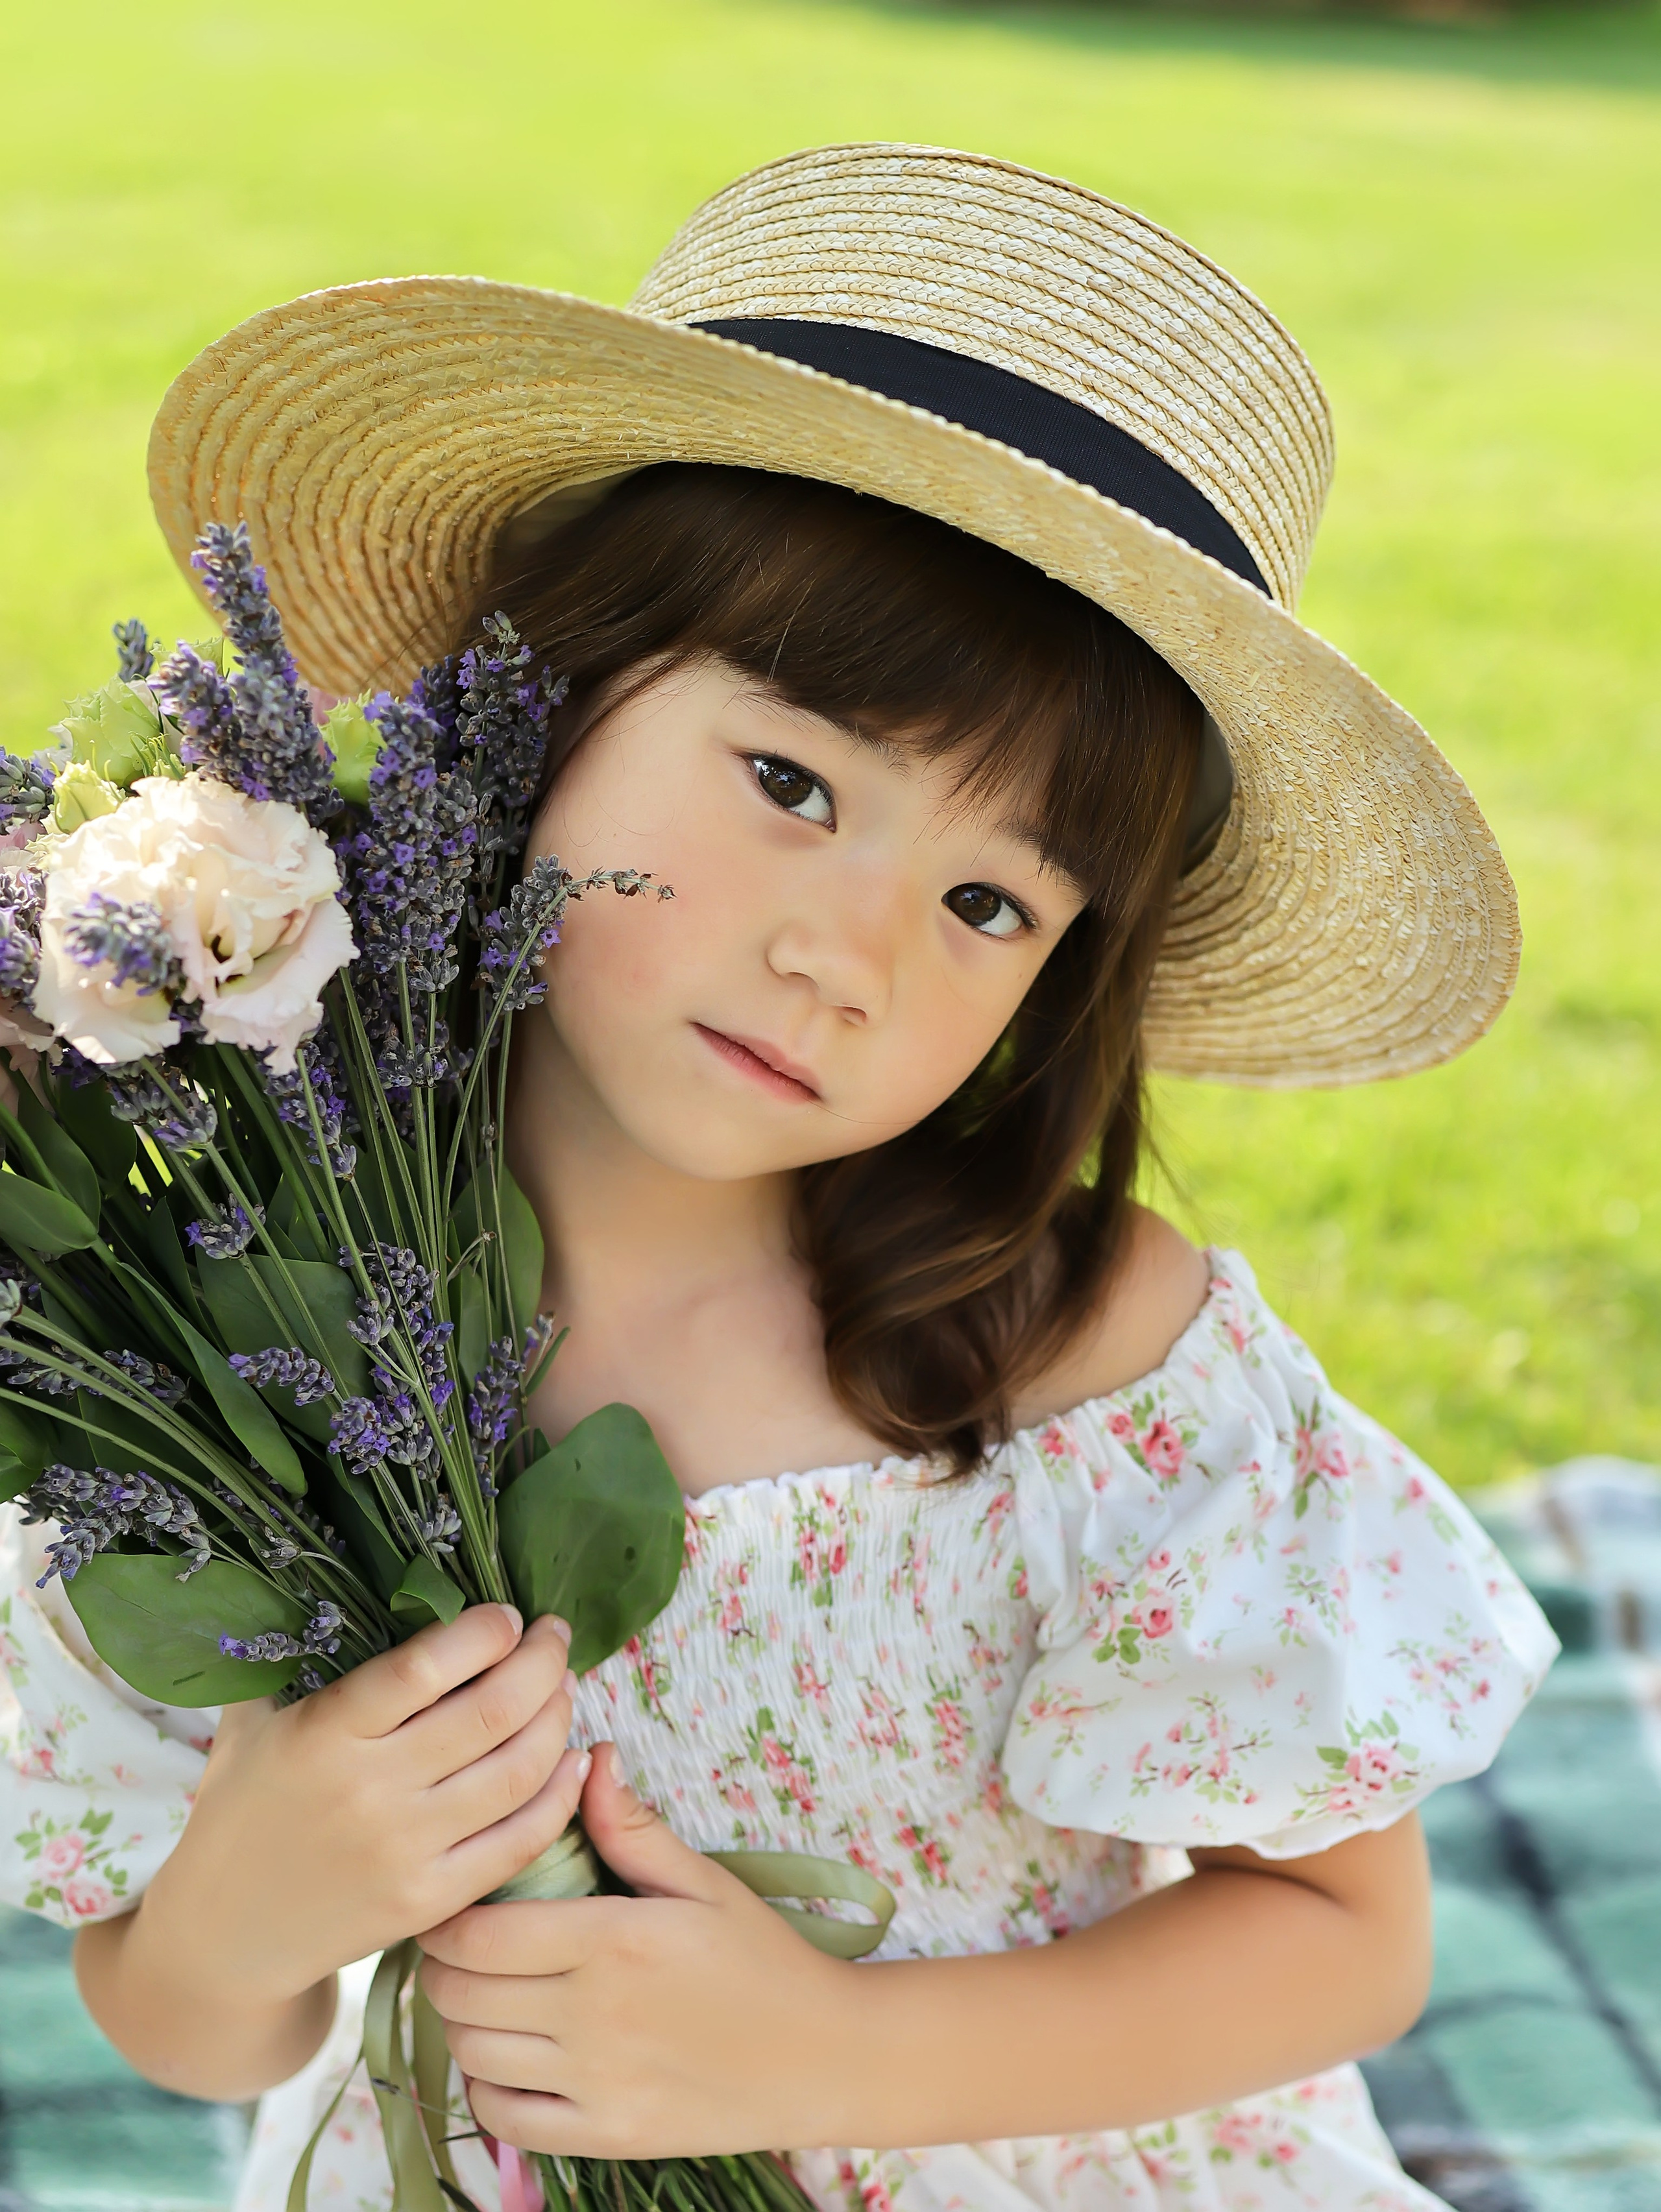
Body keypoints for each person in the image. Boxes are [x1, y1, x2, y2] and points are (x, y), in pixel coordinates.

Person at [1, 145, 1557, 2211]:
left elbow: (1352, 1933)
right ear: (535, 705)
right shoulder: (224, 1326)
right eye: (792, 782)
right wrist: (250, 1899)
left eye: (994, 901)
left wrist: (828, 2053)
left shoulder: (1084, 1357)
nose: (853, 956)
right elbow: (183, 2013)